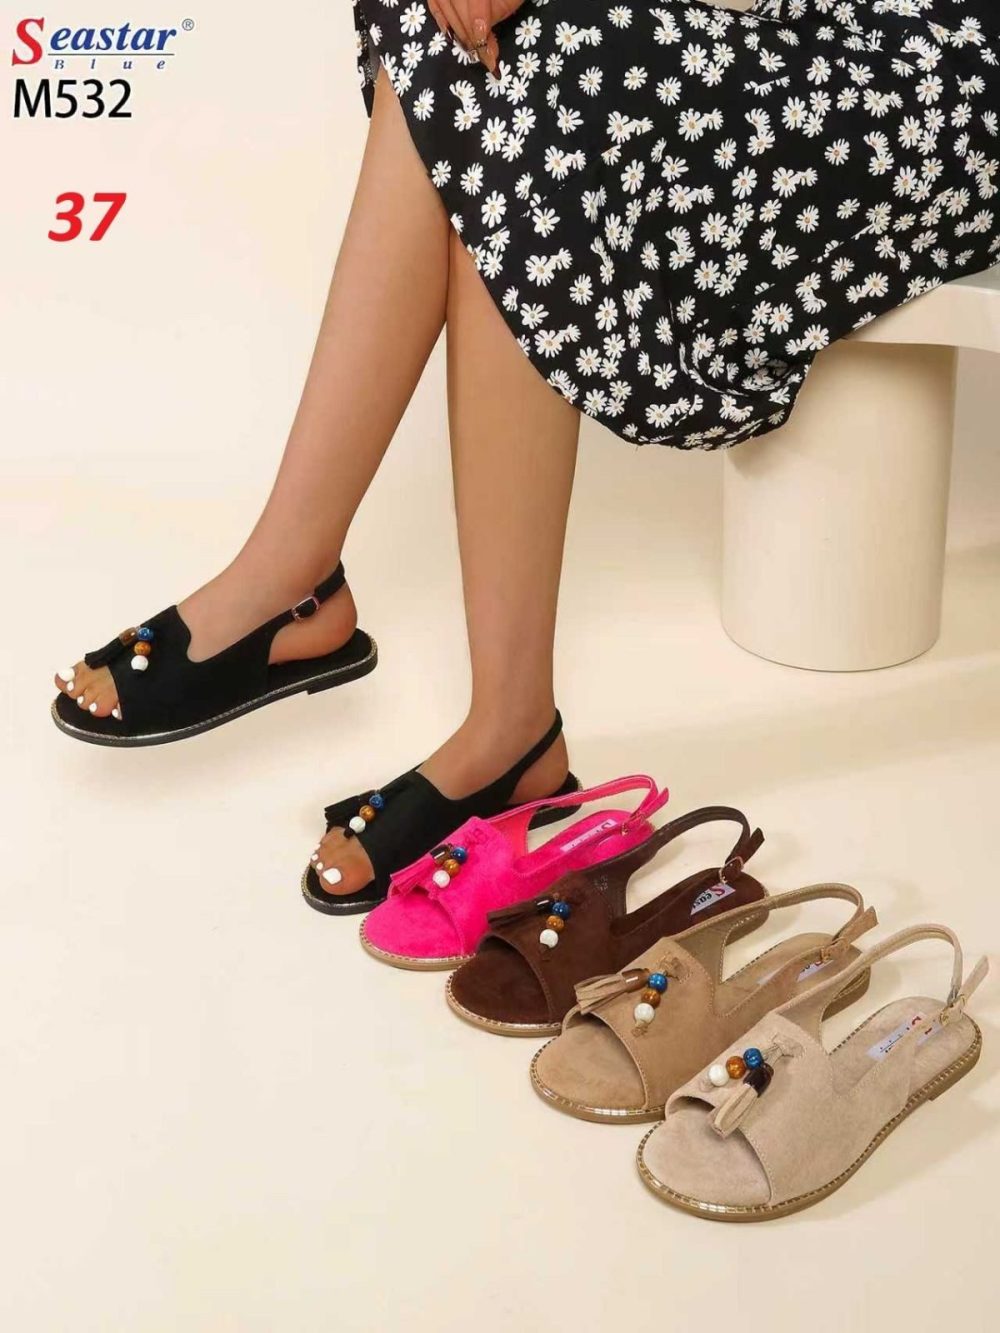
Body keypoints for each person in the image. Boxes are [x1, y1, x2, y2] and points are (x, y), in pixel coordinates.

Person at [53, 0, 1000, 909]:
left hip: (947, 62)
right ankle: (307, 581)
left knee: (541, 67)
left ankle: (449, 685)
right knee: (455, 30)